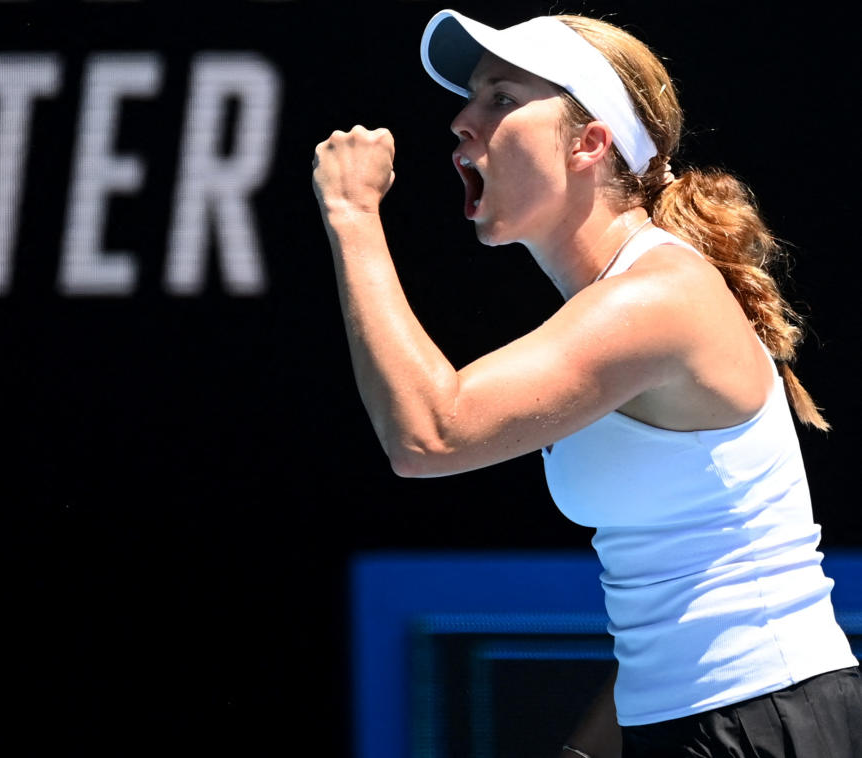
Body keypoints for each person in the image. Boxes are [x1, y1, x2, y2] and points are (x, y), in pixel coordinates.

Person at [311, 8, 861, 758]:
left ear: (589, 143)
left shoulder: (658, 296)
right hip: (705, 724)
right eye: (472, 99)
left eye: (500, 99)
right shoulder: (620, 300)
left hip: (767, 720)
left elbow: (429, 433)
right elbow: (668, 601)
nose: (461, 122)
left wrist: (351, 215)